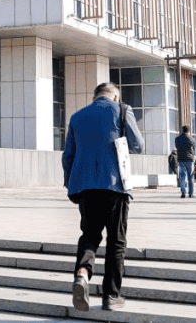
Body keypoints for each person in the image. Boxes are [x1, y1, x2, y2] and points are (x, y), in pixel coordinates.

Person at [63, 82, 144, 313]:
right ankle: (111, 295)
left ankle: (82, 273)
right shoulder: (123, 109)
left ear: (95, 96)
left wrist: (70, 183)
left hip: (85, 187)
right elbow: (138, 145)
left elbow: (68, 156)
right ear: (115, 96)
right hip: (114, 185)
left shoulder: (77, 116)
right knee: (116, 241)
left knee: (89, 235)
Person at [174, 125, 196, 199]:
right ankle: (191, 193)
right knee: (190, 177)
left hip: (181, 159)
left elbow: (177, 147)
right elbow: (194, 149)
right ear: (189, 131)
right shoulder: (192, 139)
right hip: (190, 159)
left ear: (182, 130)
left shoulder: (177, 139)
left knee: (182, 176)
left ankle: (183, 193)